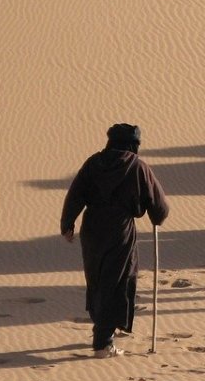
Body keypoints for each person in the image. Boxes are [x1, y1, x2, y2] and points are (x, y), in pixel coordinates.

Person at [61, 123, 169, 358]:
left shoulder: (93, 163)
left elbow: (76, 193)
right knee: (117, 281)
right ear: (133, 144)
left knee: (97, 278)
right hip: (119, 230)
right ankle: (102, 342)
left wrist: (68, 224)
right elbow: (159, 204)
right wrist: (157, 216)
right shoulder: (137, 166)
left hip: (92, 229)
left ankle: (102, 330)